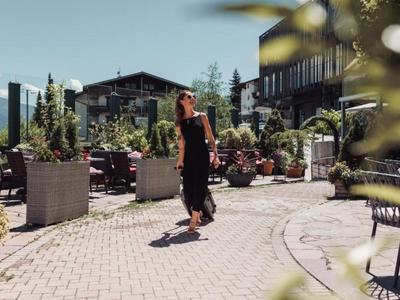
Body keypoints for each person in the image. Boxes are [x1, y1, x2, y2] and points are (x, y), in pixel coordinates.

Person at [175, 90, 220, 233]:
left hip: (201, 156)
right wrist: (180, 161)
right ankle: (197, 214)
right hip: (188, 158)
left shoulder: (202, 117)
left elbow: (211, 138)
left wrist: (216, 156)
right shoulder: (179, 122)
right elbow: (181, 144)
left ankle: (193, 220)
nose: (193, 98)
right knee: (188, 190)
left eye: (193, 96)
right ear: (182, 101)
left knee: (200, 186)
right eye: (189, 96)